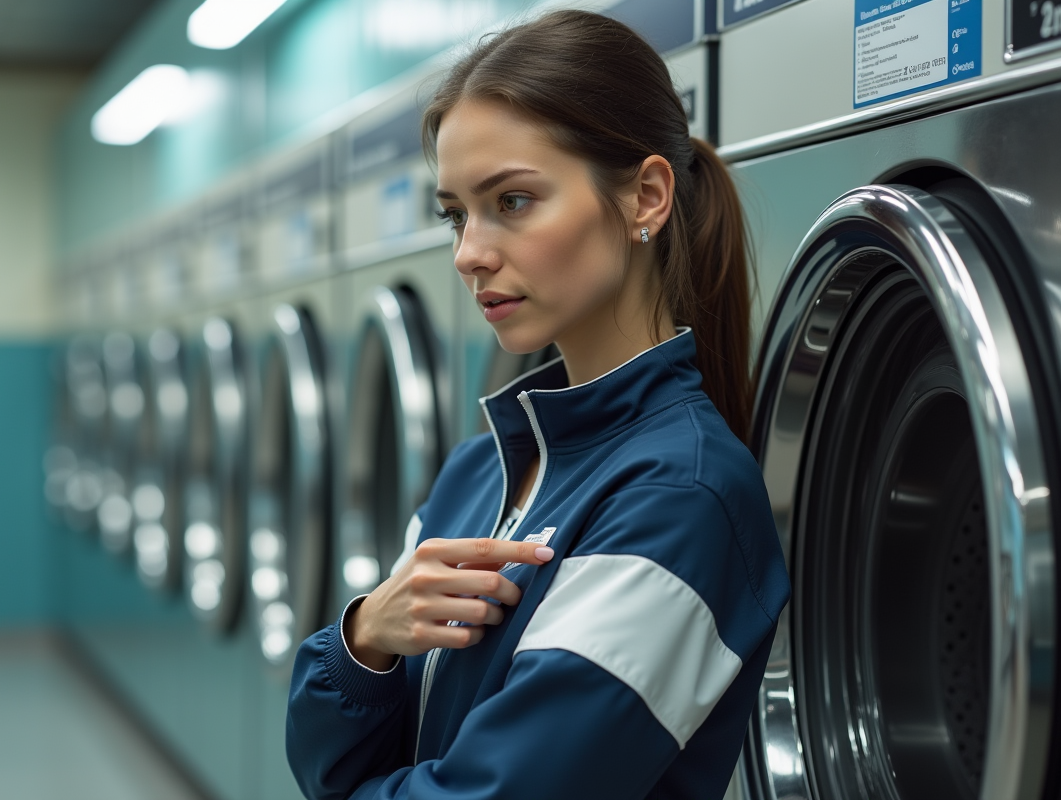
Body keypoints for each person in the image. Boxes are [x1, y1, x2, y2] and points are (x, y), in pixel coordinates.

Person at [286, 10, 789, 799]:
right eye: (456, 214)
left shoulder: (678, 498)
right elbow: (332, 767)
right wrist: (364, 639)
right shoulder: (478, 469)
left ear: (646, 198)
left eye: (513, 202)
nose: (468, 253)